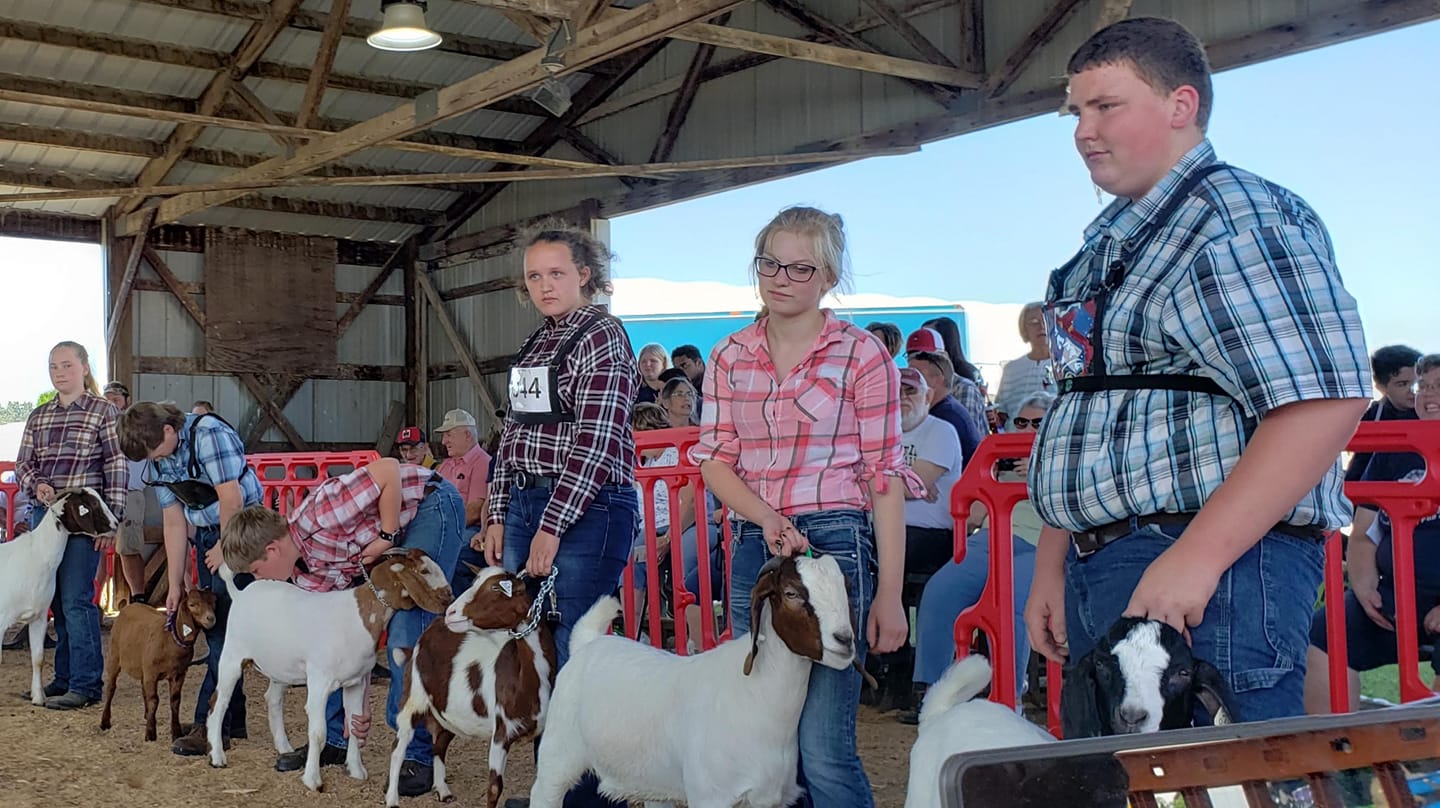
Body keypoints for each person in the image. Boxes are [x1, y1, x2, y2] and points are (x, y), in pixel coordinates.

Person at [1023, 17, 1371, 722]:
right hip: (1114, 561)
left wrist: (1197, 559)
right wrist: (1052, 566)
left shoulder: (1235, 219)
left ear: (1181, 105)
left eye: (1106, 106)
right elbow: (1081, 409)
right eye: (1077, 111)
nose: (1083, 131)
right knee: (1112, 782)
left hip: (1212, 568)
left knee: (1224, 785)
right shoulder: (1109, 247)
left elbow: (1323, 400)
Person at [693, 206, 922, 807]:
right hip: (755, 543)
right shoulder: (728, 356)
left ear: (828, 276)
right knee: (764, 735)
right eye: (769, 262)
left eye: (800, 267)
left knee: (823, 743)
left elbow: (883, 478)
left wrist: (890, 595)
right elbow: (715, 458)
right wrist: (765, 517)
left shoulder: (862, 354)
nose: (780, 278)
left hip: (836, 544)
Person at [481, 221, 640, 808]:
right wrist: (499, 510)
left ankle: (595, 797)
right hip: (528, 500)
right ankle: (558, 786)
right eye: (534, 276)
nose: (544, 285)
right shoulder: (535, 344)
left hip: (587, 507)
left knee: (581, 649)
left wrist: (553, 523)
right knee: (542, 649)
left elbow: (597, 442)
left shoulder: (602, 335)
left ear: (585, 275)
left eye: (556, 273)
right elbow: (511, 434)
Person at [219, 457, 464, 796]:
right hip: (392, 533)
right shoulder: (305, 574)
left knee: (408, 626)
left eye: (257, 572)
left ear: (272, 549)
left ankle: (418, 754)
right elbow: (338, 642)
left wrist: (387, 535)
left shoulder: (322, 514)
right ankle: (335, 738)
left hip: (427, 505)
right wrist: (358, 703)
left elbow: (389, 470)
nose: (259, 580)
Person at [117, 402, 264, 752]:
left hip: (243, 529)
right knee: (225, 628)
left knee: (219, 631)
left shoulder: (209, 435)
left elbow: (232, 497)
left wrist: (226, 550)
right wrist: (175, 581)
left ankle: (209, 722)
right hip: (209, 534)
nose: (154, 459)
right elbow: (173, 518)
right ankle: (233, 720)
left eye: (154, 451)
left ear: (169, 430)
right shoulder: (160, 457)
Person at [903, 391, 1056, 724]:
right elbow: (969, 512)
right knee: (941, 591)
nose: (1028, 428)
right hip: (988, 539)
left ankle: (1010, 697)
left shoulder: (1061, 456)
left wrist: (1039, 473)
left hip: (1039, 544)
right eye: (1021, 422)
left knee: (1015, 600)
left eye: (1038, 423)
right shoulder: (995, 458)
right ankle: (935, 692)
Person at [1305, 354, 1440, 713]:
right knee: (1323, 634)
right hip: (1396, 595)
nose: (1428, 395)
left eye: (1439, 387)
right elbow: (1363, 532)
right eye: (1422, 386)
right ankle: (1339, 757)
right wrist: (1364, 584)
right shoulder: (1395, 449)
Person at [15, 341, 126, 710]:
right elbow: (23, 464)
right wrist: (37, 484)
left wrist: (111, 524)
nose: (59, 372)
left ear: (84, 367)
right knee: (52, 603)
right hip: (43, 517)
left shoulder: (104, 412)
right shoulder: (38, 415)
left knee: (76, 599)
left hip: (84, 523)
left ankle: (85, 684)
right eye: (53, 366)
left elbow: (116, 467)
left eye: (66, 365)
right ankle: (61, 679)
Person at [103, 382, 160, 603]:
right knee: (96, 546)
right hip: (104, 493)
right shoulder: (100, 427)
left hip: (130, 492)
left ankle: (138, 596)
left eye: (116, 399)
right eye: (107, 400)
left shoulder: (137, 428)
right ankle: (93, 600)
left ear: (127, 400)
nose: (112, 404)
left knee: (129, 545)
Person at [1344, 345, 1422, 482]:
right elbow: (1360, 461)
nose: (1413, 391)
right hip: (1381, 485)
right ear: (1382, 387)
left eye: (1418, 383)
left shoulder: (1428, 411)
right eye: (1402, 384)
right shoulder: (1373, 416)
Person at [434, 408, 491, 596]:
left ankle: (457, 608)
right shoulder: (446, 465)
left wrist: (441, 530)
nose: (444, 441)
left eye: (449, 435)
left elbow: (475, 511)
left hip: (470, 530)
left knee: (448, 557)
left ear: (467, 435)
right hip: (445, 527)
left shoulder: (483, 463)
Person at [908, 349, 982, 463]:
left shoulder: (946, 418)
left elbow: (923, 476)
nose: (908, 381)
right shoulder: (945, 409)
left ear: (937, 380)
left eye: (917, 375)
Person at [994, 302, 1054, 425]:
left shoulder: (1068, 367)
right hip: (1017, 438)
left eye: (1046, 319)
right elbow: (1002, 410)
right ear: (1024, 328)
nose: (1041, 326)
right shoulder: (1012, 369)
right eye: (1034, 322)